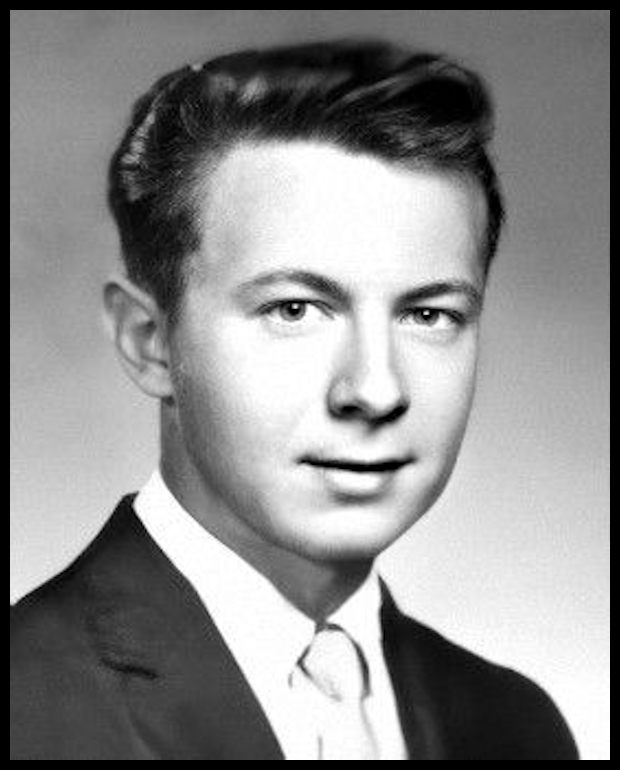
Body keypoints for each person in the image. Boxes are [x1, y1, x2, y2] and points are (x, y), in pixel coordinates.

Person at [10, 39, 579, 760]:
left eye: (428, 314)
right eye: (295, 309)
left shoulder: (517, 726)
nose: (376, 390)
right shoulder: (24, 706)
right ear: (149, 341)